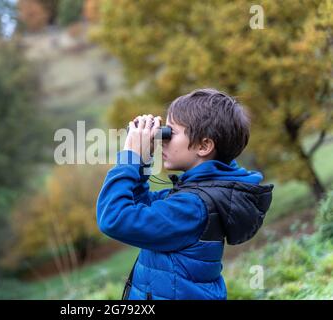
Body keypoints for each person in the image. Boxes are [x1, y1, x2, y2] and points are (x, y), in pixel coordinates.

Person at [96, 88, 274, 300]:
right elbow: (140, 207)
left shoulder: (193, 207)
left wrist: (129, 158)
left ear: (204, 145)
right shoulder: (198, 194)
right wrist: (142, 161)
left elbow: (114, 218)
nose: (162, 139)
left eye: (170, 132)